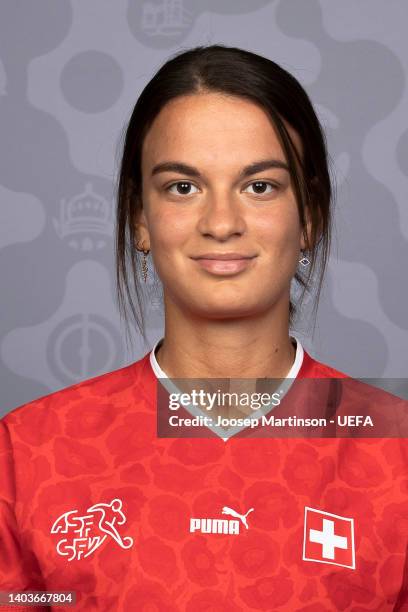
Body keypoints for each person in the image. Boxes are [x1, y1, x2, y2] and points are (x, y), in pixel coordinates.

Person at [0, 44, 407, 611]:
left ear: (309, 213)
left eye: (260, 186)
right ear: (139, 217)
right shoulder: (29, 453)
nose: (221, 223)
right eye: (182, 187)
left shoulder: (396, 457)